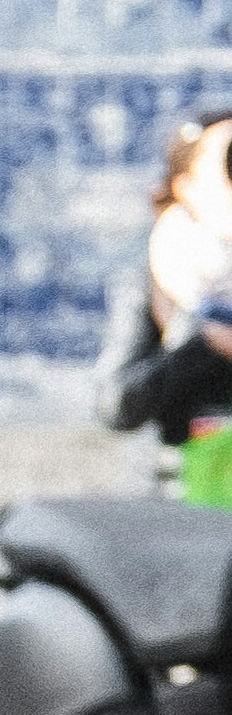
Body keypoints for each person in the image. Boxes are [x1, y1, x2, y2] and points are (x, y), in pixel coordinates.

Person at [92, 109, 232, 470]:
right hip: (193, 498)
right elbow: (118, 404)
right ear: (185, 186)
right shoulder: (162, 279)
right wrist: (204, 344)